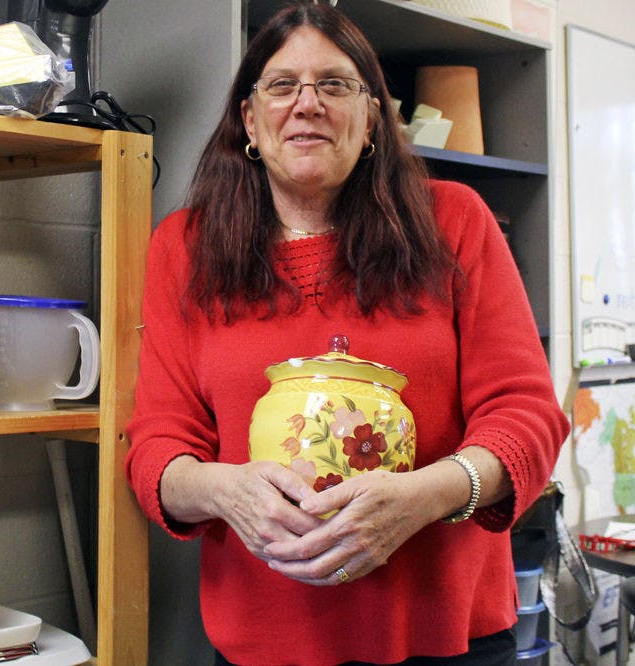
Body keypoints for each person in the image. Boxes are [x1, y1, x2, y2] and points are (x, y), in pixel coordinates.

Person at [124, 3, 570, 665]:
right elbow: (159, 441)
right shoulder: (184, 248)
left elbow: (527, 415)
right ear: (250, 120)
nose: (307, 104)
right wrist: (227, 490)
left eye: (335, 85)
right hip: (265, 644)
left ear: (370, 121)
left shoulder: (455, 222)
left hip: (450, 640)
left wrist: (429, 495)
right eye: (281, 86)